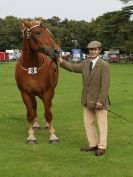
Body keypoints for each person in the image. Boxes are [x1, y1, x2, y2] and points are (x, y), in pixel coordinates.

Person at [58, 40, 110, 156]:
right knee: (88, 122)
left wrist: (101, 101)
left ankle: (102, 146)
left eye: (95, 49)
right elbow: (73, 67)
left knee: (102, 124)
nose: (92, 51)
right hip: (87, 100)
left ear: (99, 50)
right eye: (90, 50)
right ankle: (93, 145)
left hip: (99, 101)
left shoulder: (104, 65)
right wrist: (60, 61)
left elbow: (105, 85)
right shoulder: (85, 63)